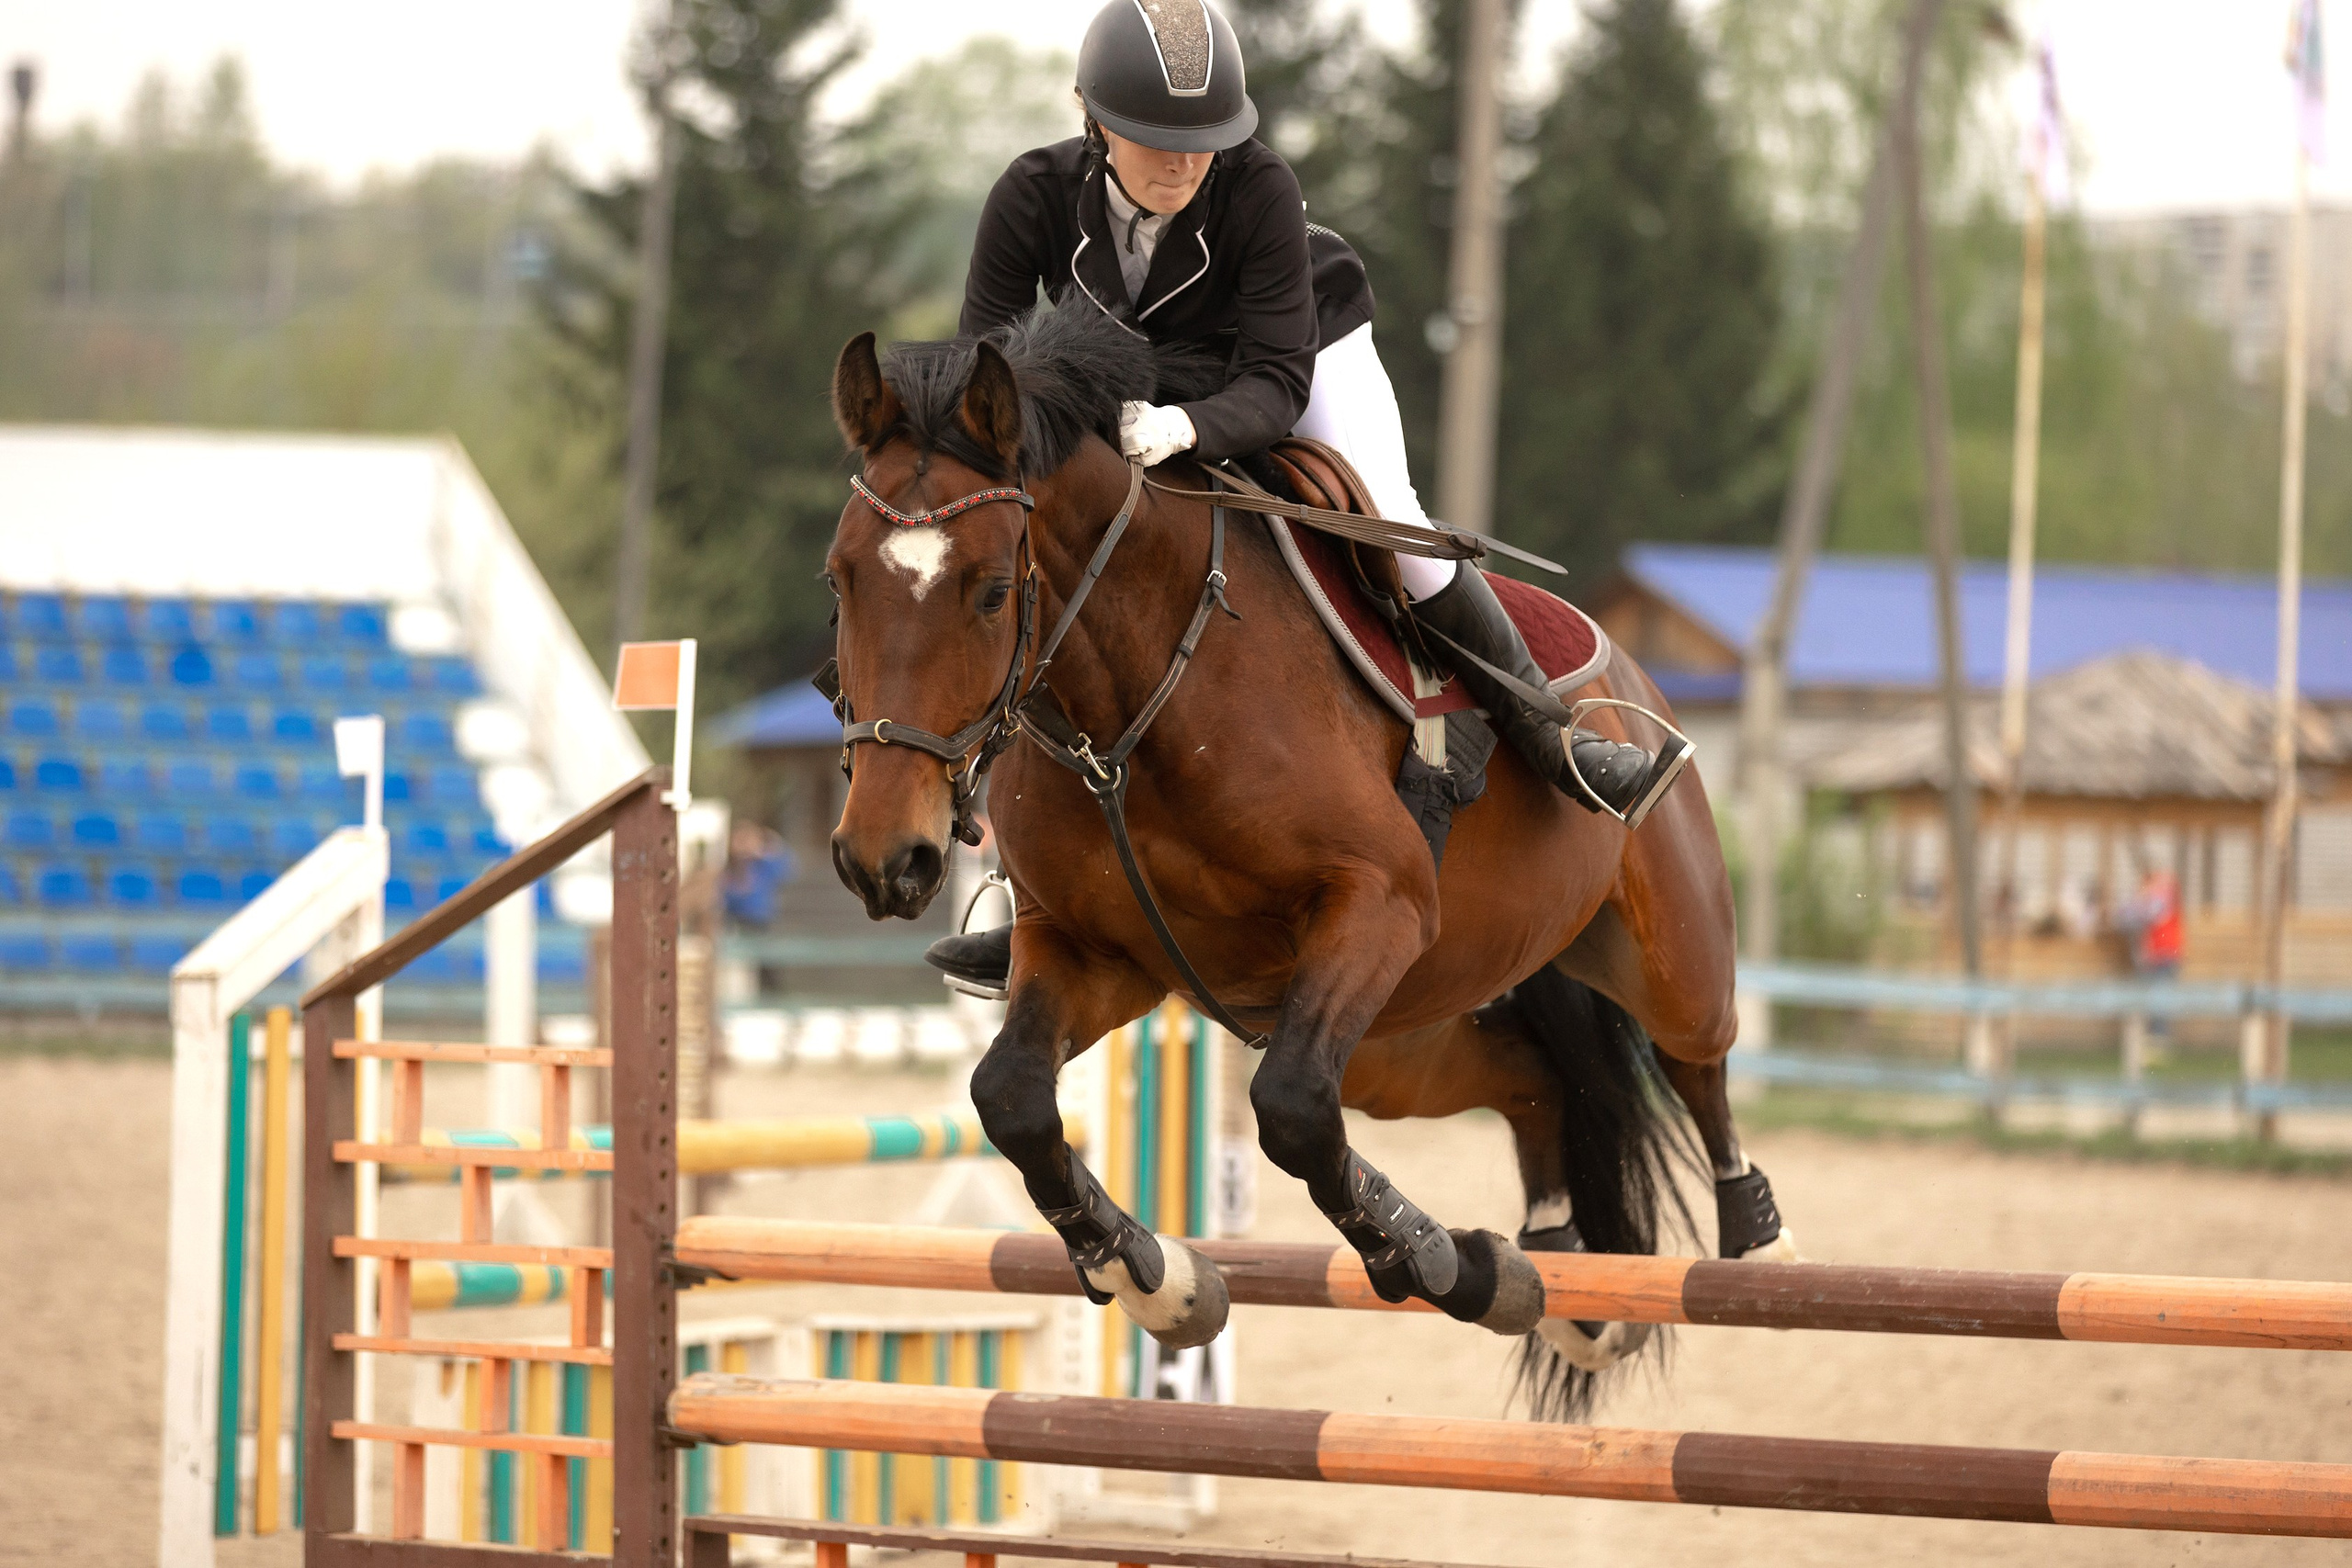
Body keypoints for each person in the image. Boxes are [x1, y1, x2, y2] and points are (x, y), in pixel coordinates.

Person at [928, 0, 1689, 995]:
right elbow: (979, 359)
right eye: (1156, 141)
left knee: (1401, 533)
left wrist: (1185, 428)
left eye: (1202, 144)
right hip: (1126, 387)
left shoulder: (1258, 192)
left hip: (1293, 357)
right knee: (1030, 568)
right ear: (1090, 117)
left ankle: (1552, 740)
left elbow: (1279, 383)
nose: (1182, 165)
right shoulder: (1029, 195)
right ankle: (1030, 883)